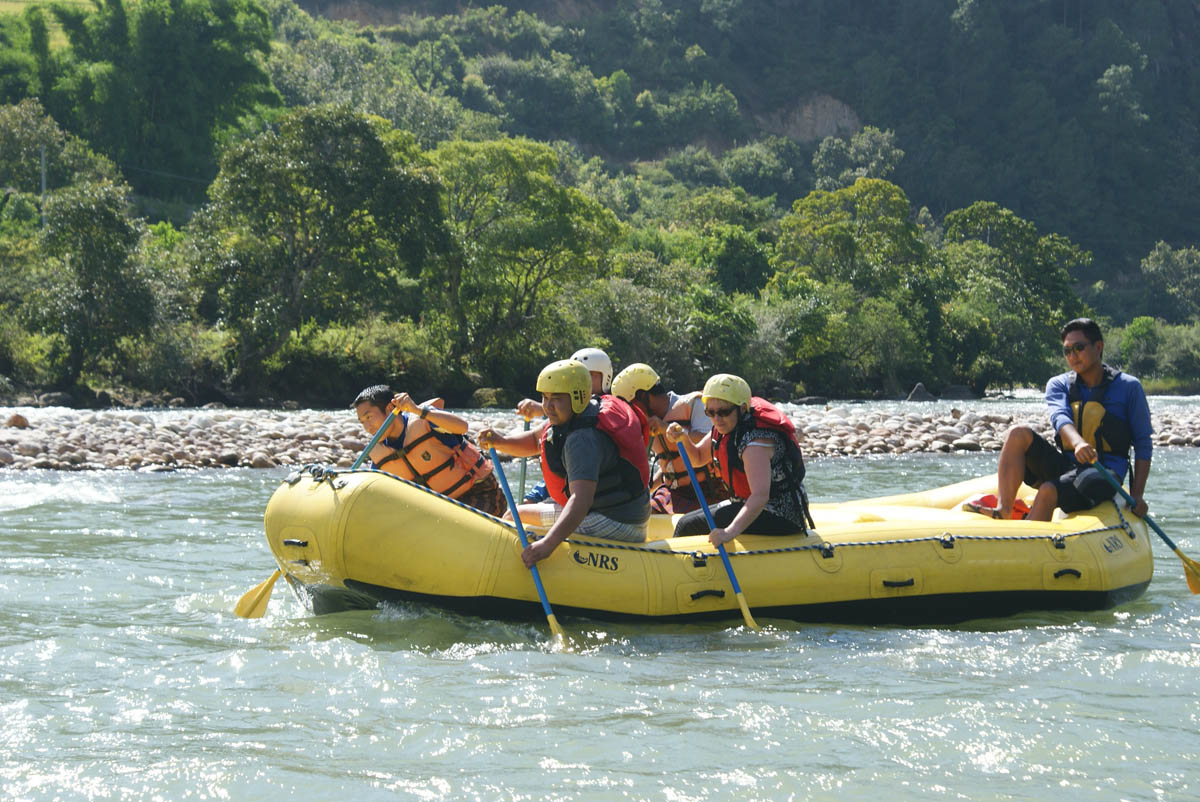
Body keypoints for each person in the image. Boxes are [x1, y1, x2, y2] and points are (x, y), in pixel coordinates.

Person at [478, 359, 650, 566]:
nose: (548, 406)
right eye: (545, 397)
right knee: (532, 508)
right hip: (625, 513)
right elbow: (535, 440)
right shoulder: (586, 411)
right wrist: (500, 441)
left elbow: (580, 500)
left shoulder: (582, 440)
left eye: (557, 399)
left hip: (616, 522)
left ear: (577, 397)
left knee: (516, 515)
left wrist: (547, 545)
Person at [990, 318, 1152, 522]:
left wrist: (1137, 495)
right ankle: (1004, 509)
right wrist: (1078, 443)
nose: (1072, 356)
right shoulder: (1058, 384)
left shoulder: (1129, 387)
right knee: (1017, 434)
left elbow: (1143, 444)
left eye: (1079, 348)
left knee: (1048, 491)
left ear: (1098, 347)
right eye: (1067, 351)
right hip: (1068, 464)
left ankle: (1028, 544)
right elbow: (1060, 416)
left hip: (1105, 473)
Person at [668, 373, 814, 544]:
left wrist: (729, 532)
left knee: (689, 526)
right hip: (747, 503)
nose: (716, 419)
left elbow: (760, 496)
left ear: (742, 408)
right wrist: (683, 438)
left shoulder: (754, 444)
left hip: (780, 514)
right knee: (685, 523)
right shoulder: (725, 428)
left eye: (723, 412)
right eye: (710, 412)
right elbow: (698, 458)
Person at [352, 385, 505, 516]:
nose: (367, 427)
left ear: (390, 408)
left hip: (478, 492)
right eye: (362, 422)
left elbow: (462, 426)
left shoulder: (425, 418)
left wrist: (418, 410)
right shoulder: (379, 454)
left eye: (369, 417)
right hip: (439, 512)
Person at [611, 362, 729, 514]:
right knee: (637, 513)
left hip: (710, 491)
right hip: (676, 493)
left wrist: (665, 428)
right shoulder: (649, 423)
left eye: (631, 406)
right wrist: (648, 487)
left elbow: (711, 443)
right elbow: (671, 467)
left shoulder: (694, 404)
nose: (630, 413)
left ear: (643, 396)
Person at [515, 347, 614, 420]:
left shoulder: (612, 406)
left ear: (606, 378)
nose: (581, 381)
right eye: (576, 376)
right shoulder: (568, 409)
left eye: (589, 375)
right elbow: (534, 439)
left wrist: (542, 409)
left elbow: (592, 413)